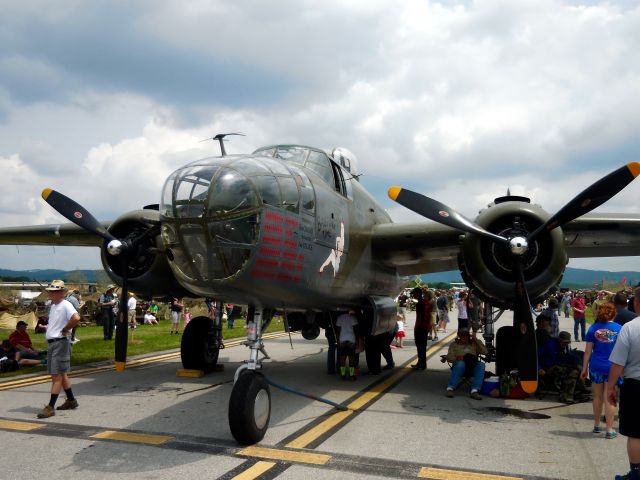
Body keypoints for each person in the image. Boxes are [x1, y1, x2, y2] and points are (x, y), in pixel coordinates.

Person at [607, 288, 640, 480]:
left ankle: (636, 474)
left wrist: (610, 387)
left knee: (636, 433)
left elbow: (618, 363)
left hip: (635, 385)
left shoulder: (629, 327)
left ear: (636, 303)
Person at [37, 280, 80, 419]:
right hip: (54, 343)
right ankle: (71, 400)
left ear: (61, 293)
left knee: (56, 376)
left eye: (54, 291)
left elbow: (76, 318)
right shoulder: (54, 306)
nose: (50, 293)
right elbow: (56, 324)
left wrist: (66, 329)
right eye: (50, 291)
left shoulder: (65, 304)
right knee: (62, 374)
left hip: (60, 343)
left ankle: (50, 407)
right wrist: (47, 328)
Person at [581, 302, 622, 438]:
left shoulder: (593, 328)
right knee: (610, 397)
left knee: (597, 396)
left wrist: (584, 368)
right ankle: (610, 429)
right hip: (613, 368)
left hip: (596, 366)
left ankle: (597, 425)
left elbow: (587, 351)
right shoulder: (620, 329)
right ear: (614, 313)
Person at [538, 330, 585, 404]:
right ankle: (564, 396)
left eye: (567, 342)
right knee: (573, 372)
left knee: (578, 368)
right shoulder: (550, 345)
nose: (565, 344)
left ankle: (575, 392)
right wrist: (539, 368)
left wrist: (577, 364)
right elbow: (537, 357)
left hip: (558, 365)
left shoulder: (565, 347)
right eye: (564, 342)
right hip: (547, 368)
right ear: (559, 340)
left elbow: (566, 357)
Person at [445, 328, 488, 400]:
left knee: (481, 365)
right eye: (462, 336)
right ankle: (450, 389)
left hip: (472, 366)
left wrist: (476, 340)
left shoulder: (474, 344)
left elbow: (485, 352)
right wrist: (457, 358)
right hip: (459, 366)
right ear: (459, 336)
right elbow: (449, 357)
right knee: (461, 363)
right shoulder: (454, 345)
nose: (464, 337)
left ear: (469, 336)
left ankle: (475, 390)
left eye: (466, 336)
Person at [411, 287, 432, 370]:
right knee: (423, 347)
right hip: (426, 326)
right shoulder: (426, 302)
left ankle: (421, 364)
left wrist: (415, 328)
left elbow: (418, 317)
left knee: (420, 347)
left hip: (420, 327)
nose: (413, 295)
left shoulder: (419, 303)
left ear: (418, 294)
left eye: (414, 294)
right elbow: (429, 315)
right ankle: (421, 363)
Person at [335, 310, 359, 380]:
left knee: (342, 359)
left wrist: (338, 341)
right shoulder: (352, 318)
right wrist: (357, 341)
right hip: (351, 339)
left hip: (342, 339)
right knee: (351, 359)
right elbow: (356, 330)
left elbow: (337, 331)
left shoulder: (339, 318)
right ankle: (351, 375)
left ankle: (343, 375)